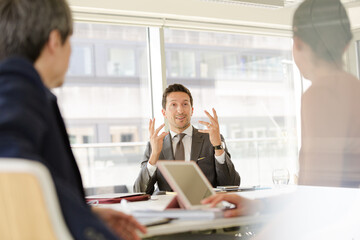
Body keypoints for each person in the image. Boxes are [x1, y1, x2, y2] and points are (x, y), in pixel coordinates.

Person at [0, 0, 145, 239]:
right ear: (55, 41)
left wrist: (85, 213)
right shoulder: (18, 89)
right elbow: (14, 166)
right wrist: (91, 229)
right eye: (70, 41)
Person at [203, 0, 360, 214]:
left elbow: (317, 203)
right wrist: (259, 205)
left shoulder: (323, 93)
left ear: (297, 43)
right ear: (345, 45)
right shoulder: (353, 89)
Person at [134, 83, 240, 194]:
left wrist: (218, 147)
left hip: (204, 207)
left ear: (192, 110)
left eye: (185, 104)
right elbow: (140, 191)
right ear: (164, 112)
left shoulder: (211, 139)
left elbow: (232, 184)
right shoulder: (155, 145)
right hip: (169, 209)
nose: (180, 110)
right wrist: (154, 155)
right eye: (173, 105)